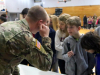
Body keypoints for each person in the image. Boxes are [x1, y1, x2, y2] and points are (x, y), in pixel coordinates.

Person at [0, 5, 53, 75]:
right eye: (45, 24)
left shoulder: (7, 24)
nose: (46, 27)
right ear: (40, 23)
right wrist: (46, 37)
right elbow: (46, 65)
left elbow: (11, 57)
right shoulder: (24, 37)